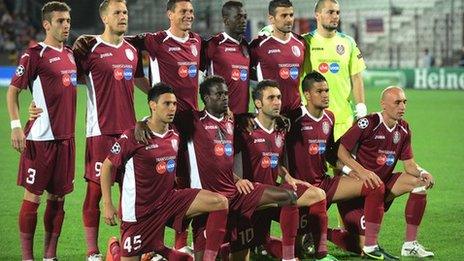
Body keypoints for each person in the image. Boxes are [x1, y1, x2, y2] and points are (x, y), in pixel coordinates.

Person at [161, 75, 297, 260]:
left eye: (226, 93)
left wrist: (238, 180)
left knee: (289, 196)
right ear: (206, 98)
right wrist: (143, 124)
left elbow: (259, 120)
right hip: (208, 201)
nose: (224, 97)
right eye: (218, 94)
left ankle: (288, 257)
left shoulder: (235, 122)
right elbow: (162, 118)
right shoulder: (192, 120)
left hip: (235, 195)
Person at [100, 83, 229, 261]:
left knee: (220, 202)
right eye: (166, 104)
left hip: (169, 201)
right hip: (139, 214)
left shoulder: (175, 132)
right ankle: (115, 249)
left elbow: (205, 119)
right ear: (153, 105)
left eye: (174, 104)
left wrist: (228, 113)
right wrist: (107, 203)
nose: (172, 108)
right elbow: (107, 166)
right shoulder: (133, 136)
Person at [69, 1, 152, 260]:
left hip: (129, 133)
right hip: (100, 132)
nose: (123, 16)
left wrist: (160, 97)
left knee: (131, 192)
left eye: (125, 12)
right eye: (117, 12)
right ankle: (92, 252)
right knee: (95, 192)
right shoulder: (89, 48)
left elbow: (139, 80)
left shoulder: (131, 51)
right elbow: (66, 76)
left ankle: (133, 246)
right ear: (104, 17)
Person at [285, 71, 394, 260]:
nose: (326, 94)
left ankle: (370, 245)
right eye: (319, 91)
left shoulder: (329, 117)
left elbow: (329, 153)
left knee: (374, 184)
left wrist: (349, 171)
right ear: (307, 95)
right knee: (299, 249)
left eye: (327, 90)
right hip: (302, 187)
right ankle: (315, 243)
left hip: (325, 183)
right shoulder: (293, 118)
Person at [234, 79, 338, 261]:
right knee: (240, 250)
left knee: (318, 194)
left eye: (279, 97)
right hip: (249, 194)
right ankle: (288, 256)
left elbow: (276, 160)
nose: (277, 102)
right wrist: (238, 180)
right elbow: (223, 163)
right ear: (258, 103)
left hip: (273, 191)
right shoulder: (245, 129)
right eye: (271, 98)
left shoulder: (281, 128)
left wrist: (288, 176)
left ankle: (320, 254)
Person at [6, 2, 75, 260]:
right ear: (47, 24)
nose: (66, 25)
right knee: (33, 197)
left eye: (67, 20)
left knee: (58, 199)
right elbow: (12, 92)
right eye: (60, 21)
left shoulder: (70, 54)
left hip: (66, 139)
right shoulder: (34, 54)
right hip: (40, 139)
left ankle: (50, 256)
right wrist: (16, 127)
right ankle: (27, 257)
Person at [337, 86, 435, 258]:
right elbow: (340, 151)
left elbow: (409, 165)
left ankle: (410, 244)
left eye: (404, 102)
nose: (402, 106)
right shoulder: (368, 123)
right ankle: (325, 233)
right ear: (383, 104)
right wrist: (361, 172)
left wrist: (423, 172)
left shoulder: (403, 129)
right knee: (360, 248)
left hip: (381, 187)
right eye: (397, 102)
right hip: (357, 191)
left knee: (420, 184)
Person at [302, 0, 367, 141]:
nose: (335, 16)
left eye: (337, 12)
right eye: (330, 12)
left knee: (344, 163)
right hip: (313, 119)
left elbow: (356, 77)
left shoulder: (348, 42)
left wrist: (361, 107)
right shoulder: (304, 43)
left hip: (344, 120)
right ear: (317, 15)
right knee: (314, 163)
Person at [250, 0, 306, 114]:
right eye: (284, 15)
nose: (289, 19)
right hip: (268, 114)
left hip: (296, 112)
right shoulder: (259, 45)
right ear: (271, 18)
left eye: (291, 15)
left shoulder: (301, 43)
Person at [203, 1, 250, 115]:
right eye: (238, 17)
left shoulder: (246, 46)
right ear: (226, 21)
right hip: (220, 117)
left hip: (242, 117)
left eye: (244, 17)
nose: (243, 21)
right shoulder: (213, 44)